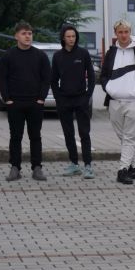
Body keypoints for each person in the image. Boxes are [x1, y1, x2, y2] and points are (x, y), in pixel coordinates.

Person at [100, 20, 135, 185]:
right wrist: (108, 87)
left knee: (129, 137)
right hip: (115, 102)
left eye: (126, 32)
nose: (123, 35)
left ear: (130, 32)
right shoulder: (111, 53)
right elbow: (103, 75)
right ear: (116, 34)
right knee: (124, 137)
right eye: (120, 32)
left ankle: (122, 170)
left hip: (134, 102)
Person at [0, 22, 51, 181]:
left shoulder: (40, 56)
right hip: (15, 104)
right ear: (16, 36)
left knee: (35, 136)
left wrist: (41, 98)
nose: (28, 36)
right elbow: (2, 79)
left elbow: (46, 78)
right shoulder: (8, 56)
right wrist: (8, 100)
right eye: (24, 33)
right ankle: (15, 167)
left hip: (35, 103)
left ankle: (37, 168)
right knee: (15, 137)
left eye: (30, 33)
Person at [51, 24, 95, 179]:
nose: (71, 39)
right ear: (63, 38)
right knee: (68, 133)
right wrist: (58, 97)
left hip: (81, 99)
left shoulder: (83, 53)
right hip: (64, 101)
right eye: (68, 36)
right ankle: (74, 164)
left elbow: (91, 74)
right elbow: (53, 79)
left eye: (74, 36)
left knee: (84, 133)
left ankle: (88, 166)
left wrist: (88, 95)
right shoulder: (57, 56)